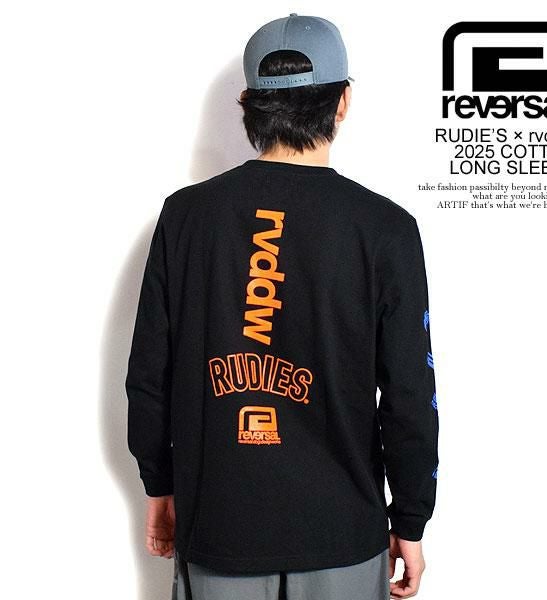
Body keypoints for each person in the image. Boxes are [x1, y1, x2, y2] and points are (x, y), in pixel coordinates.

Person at [125, 12, 439, 600]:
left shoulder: (186, 217)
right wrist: (411, 519)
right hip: (343, 534)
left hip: (219, 524)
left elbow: (148, 375)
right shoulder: (386, 228)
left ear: (248, 103)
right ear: (342, 102)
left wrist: (158, 484)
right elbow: (409, 394)